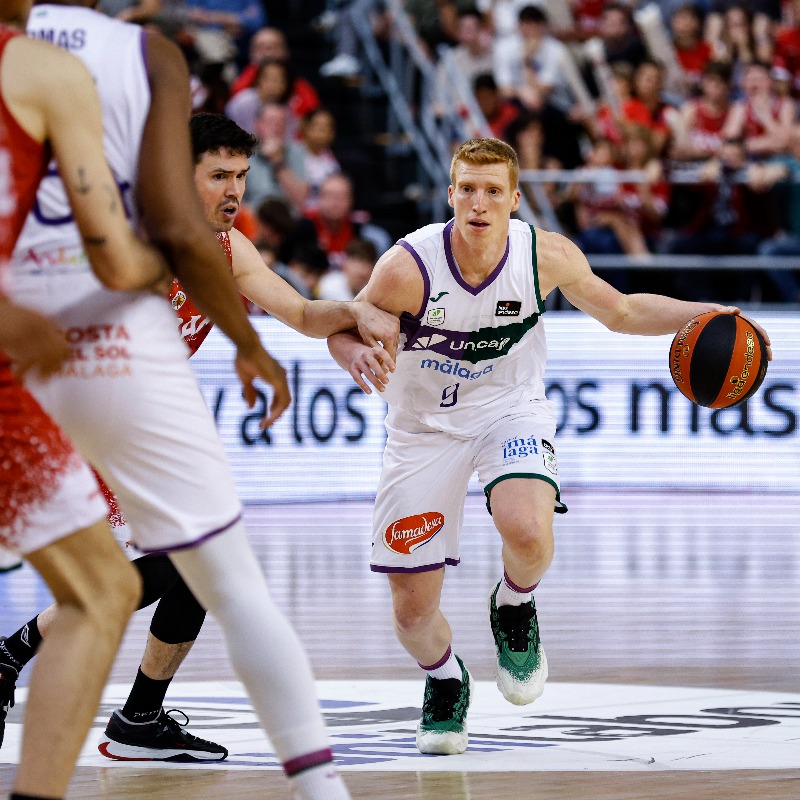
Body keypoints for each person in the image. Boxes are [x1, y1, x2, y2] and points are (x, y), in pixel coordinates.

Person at [10, 3, 398, 798]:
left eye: (241, 179)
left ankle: (136, 716)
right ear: (172, 167)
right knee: (162, 574)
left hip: (116, 422)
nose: (231, 192)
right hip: (72, 408)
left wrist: (353, 312)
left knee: (184, 568)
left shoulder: (229, 243)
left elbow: (295, 310)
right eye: (218, 176)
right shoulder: (127, 222)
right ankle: (19, 657)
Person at [327, 137, 772, 756]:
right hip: (423, 429)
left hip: (511, 410)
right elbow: (345, 328)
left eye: (492, 191)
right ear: (450, 193)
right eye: (467, 189)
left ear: (514, 198)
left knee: (528, 530)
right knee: (410, 613)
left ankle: (514, 605)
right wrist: (351, 351)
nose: (478, 203)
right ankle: (446, 679)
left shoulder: (546, 257)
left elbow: (619, 311)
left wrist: (706, 312)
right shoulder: (407, 268)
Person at [0, 5, 175, 798]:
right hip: (27, 376)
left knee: (122, 583)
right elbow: (112, 244)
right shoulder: (47, 73)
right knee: (110, 589)